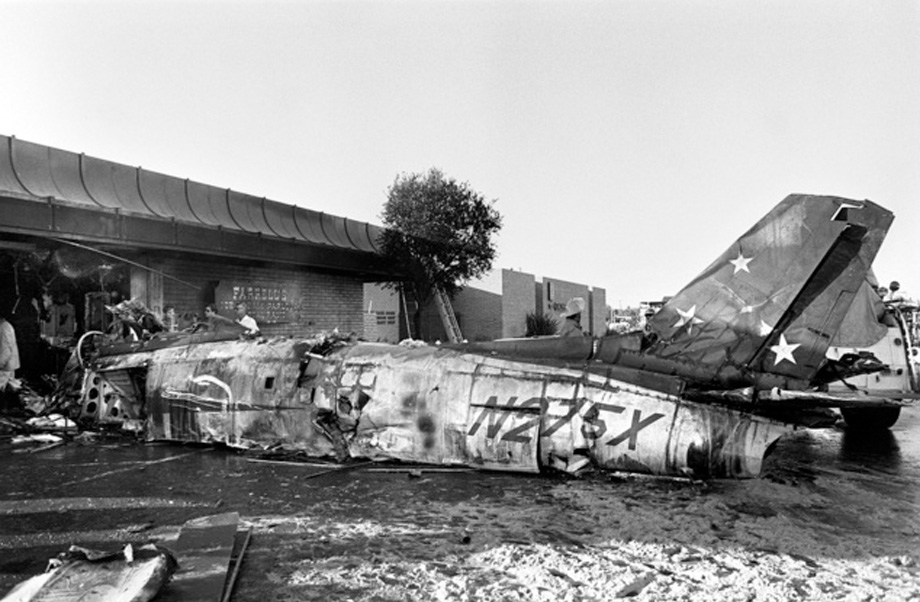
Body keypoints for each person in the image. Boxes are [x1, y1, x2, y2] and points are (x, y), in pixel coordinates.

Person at [0, 311, 21, 410]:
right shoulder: (4, 326)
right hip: (6, 366)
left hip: (5, 368)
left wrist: (0, 364)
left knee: (4, 392)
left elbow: (6, 351)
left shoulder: (4, 328)